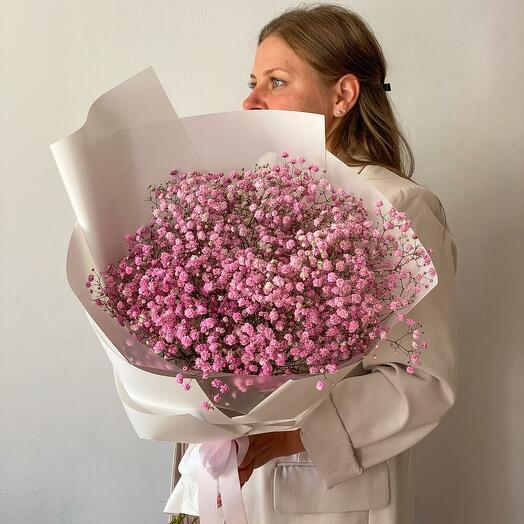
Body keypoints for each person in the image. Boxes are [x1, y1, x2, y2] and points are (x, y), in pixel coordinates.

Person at [170, 4, 458, 523]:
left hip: (325, 501)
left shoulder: (397, 207)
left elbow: (421, 380)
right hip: (221, 485)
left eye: (276, 82)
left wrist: (293, 434)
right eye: (253, 81)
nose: (251, 100)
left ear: (343, 95)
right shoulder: (237, 204)